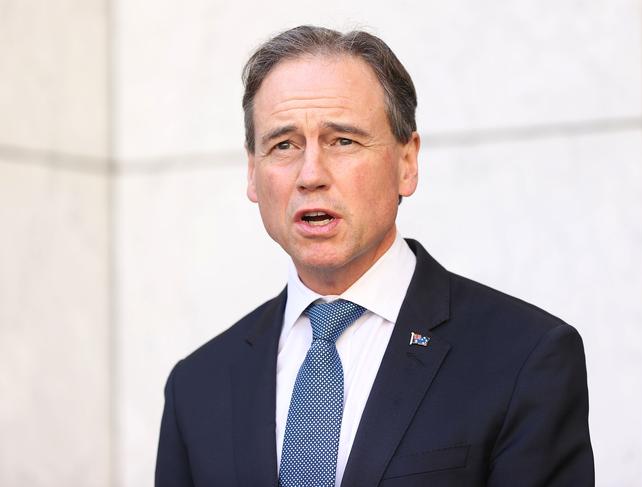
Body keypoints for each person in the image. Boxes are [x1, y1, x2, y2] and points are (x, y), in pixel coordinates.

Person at [155, 25, 594, 487]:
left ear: (407, 162)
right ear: (252, 172)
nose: (310, 175)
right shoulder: (197, 386)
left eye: (342, 141)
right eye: (284, 145)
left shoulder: (524, 357)